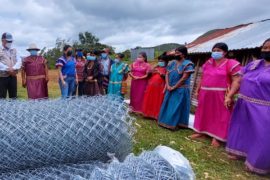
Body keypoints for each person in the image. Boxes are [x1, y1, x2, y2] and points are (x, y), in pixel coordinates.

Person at [226, 38, 270, 175]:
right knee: (242, 130)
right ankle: (239, 153)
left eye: (269, 48)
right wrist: (230, 95)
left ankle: (257, 164)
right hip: (244, 103)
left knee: (262, 136)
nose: (266, 50)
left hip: (264, 108)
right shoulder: (253, 65)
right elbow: (238, 80)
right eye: (264, 47)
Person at [191, 42, 241, 147]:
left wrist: (229, 96)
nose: (215, 52)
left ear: (225, 52)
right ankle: (202, 131)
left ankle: (217, 137)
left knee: (220, 115)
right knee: (204, 112)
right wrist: (197, 90)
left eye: (218, 50)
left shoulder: (230, 63)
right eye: (214, 50)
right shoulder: (208, 63)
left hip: (221, 93)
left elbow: (237, 80)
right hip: (205, 92)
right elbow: (203, 77)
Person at [158, 46, 194, 130]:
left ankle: (175, 124)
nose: (176, 54)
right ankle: (164, 122)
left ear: (183, 54)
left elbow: (184, 78)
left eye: (178, 53)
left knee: (176, 106)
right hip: (170, 88)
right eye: (176, 52)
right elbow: (167, 74)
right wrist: (168, 85)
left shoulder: (188, 64)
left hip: (181, 89)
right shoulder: (171, 63)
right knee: (168, 105)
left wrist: (174, 87)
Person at [142, 54, 167, 120]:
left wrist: (160, 73)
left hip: (159, 88)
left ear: (165, 61)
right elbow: (149, 76)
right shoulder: (156, 67)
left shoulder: (167, 69)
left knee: (157, 100)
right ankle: (147, 114)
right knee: (149, 99)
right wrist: (152, 70)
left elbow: (167, 78)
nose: (160, 62)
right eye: (159, 61)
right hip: (151, 87)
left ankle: (155, 115)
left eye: (161, 61)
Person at [0, 32, 21, 99]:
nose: (10, 42)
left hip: (13, 76)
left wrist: (13, 68)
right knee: (1, 97)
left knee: (13, 97)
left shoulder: (14, 50)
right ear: (2, 40)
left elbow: (19, 60)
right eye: (8, 41)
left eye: (11, 41)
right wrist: (7, 69)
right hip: (2, 77)